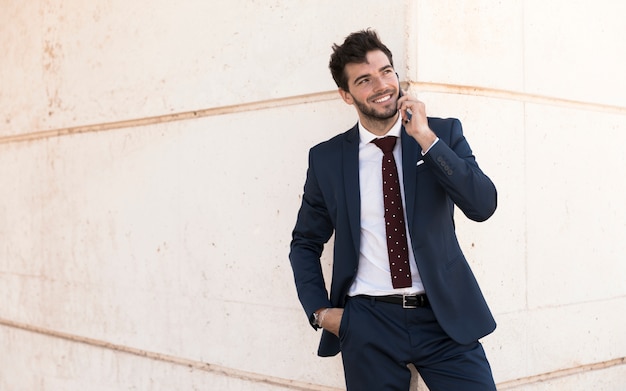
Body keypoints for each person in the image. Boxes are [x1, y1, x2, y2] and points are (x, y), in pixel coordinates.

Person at [289, 29, 498, 390]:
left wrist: (425, 139)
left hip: (443, 316)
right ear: (346, 94)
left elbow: (482, 205)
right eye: (365, 80)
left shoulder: (442, 134)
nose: (382, 85)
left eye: (386, 71)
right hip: (368, 322)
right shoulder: (327, 159)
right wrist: (321, 313)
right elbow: (305, 242)